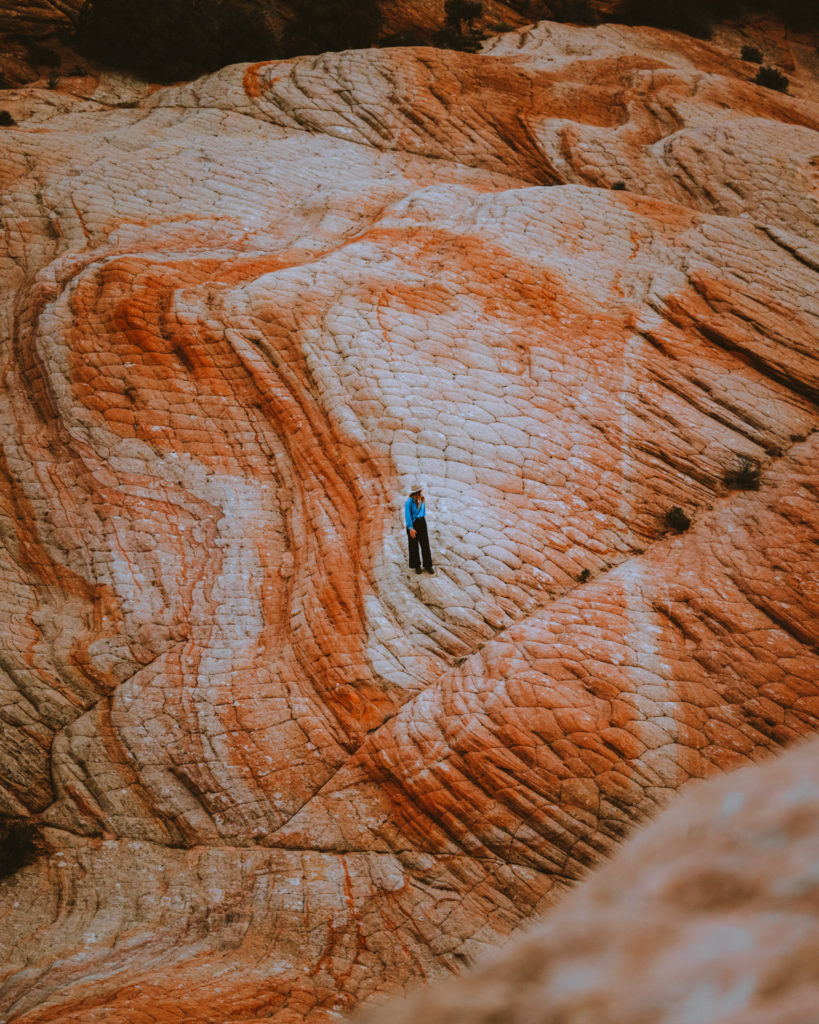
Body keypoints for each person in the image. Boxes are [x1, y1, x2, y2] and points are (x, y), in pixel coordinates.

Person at [404, 484, 434, 575]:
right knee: (413, 546)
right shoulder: (409, 501)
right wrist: (410, 528)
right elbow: (407, 515)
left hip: (422, 522)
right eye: (421, 489)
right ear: (418, 491)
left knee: (425, 544)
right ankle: (417, 566)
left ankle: (428, 565)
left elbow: (423, 512)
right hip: (413, 524)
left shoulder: (422, 498)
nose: (422, 490)